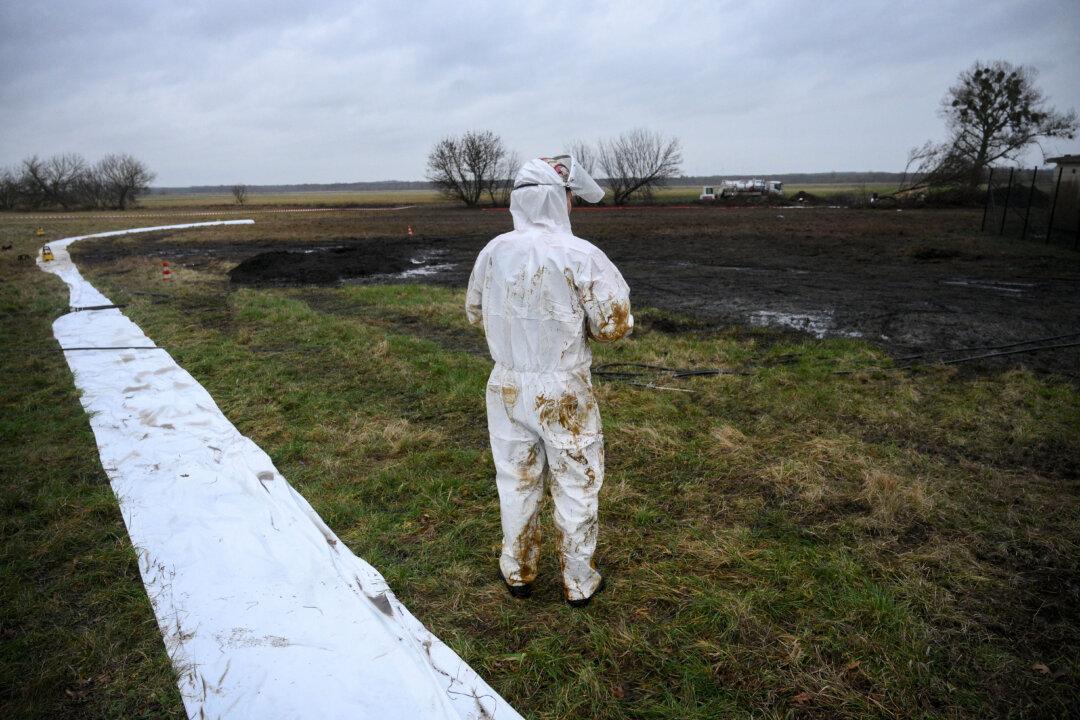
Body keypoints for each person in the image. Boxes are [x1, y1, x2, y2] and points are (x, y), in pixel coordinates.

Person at [466, 155, 633, 607]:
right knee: (577, 481)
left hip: (505, 387)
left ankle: (517, 570)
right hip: (563, 390)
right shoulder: (581, 255)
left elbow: (474, 311)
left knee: (515, 480)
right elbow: (614, 326)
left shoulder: (493, 251)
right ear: (560, 200)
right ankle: (578, 579)